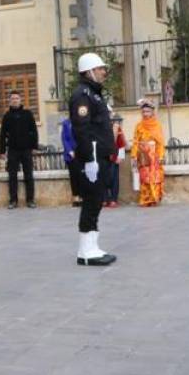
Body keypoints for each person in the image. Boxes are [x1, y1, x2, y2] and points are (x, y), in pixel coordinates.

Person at [69, 54, 116, 266]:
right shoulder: (82, 95)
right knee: (91, 202)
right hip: (92, 158)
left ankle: (92, 246)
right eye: (100, 69)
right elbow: (82, 128)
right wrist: (89, 159)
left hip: (101, 156)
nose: (104, 72)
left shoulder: (94, 94)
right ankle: (85, 251)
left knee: (97, 201)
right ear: (89, 71)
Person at [0, 91, 39, 209]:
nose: (15, 100)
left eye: (17, 98)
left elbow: (34, 131)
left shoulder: (28, 114)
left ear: (20, 100)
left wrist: (34, 147)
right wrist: (2, 151)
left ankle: (30, 200)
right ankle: (13, 201)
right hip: (13, 151)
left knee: (29, 175)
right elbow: (2, 135)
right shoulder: (6, 116)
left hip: (26, 150)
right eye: (13, 98)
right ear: (9, 101)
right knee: (12, 176)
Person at [130, 100, 166, 207]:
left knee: (154, 178)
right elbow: (136, 140)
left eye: (148, 111)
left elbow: (160, 142)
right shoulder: (139, 126)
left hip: (154, 155)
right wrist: (134, 155)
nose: (145, 114)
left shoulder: (157, 125)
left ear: (152, 112)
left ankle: (154, 198)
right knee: (144, 177)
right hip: (143, 156)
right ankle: (145, 199)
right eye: (144, 112)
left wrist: (161, 155)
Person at [105, 117, 126, 208]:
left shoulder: (116, 127)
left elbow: (120, 142)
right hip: (102, 157)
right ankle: (104, 199)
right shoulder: (97, 127)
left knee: (114, 178)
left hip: (114, 157)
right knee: (102, 179)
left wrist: (120, 156)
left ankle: (113, 199)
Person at [61, 115, 80, 207]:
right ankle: (75, 197)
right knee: (74, 176)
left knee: (82, 176)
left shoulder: (81, 121)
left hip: (81, 153)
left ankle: (82, 197)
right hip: (70, 154)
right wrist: (70, 151)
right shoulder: (66, 123)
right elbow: (64, 139)